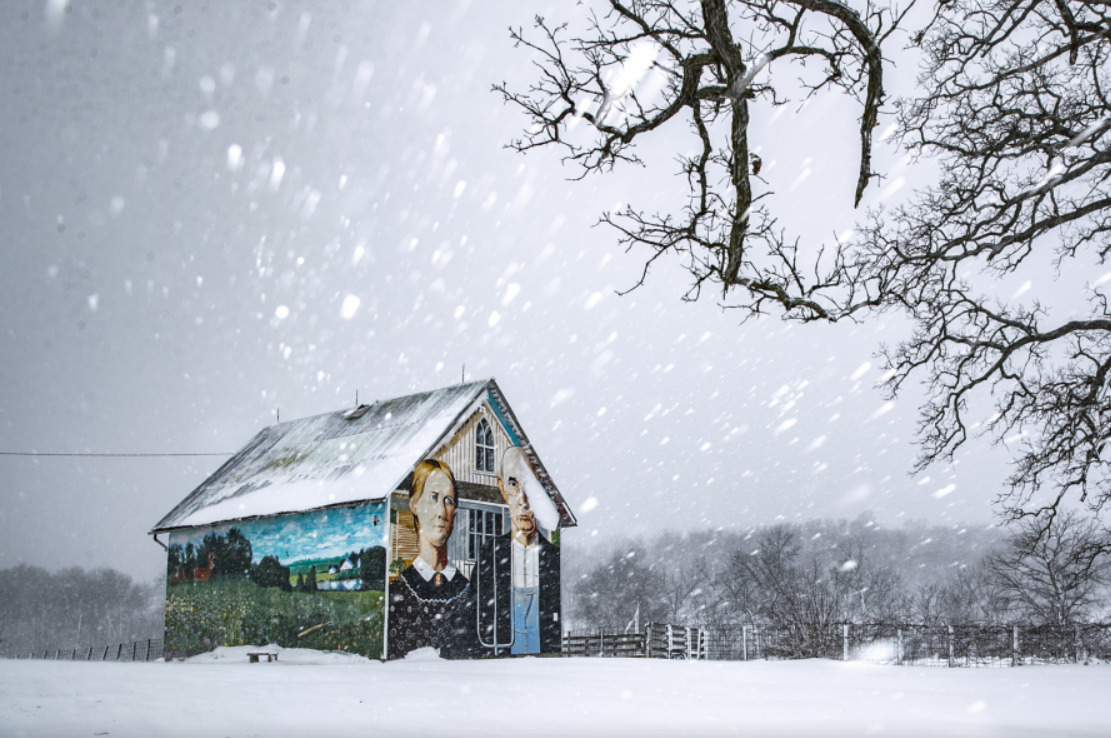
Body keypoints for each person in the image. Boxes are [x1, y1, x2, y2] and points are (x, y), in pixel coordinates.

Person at [473, 446, 561, 655]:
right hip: (503, 666)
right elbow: (475, 613)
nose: (523, 499)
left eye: (529, 486)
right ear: (502, 488)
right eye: (513, 484)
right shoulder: (490, 555)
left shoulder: (553, 559)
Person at [387, 459, 477, 659]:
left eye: (449, 501)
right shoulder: (396, 595)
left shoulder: (469, 593)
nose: (441, 512)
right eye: (433, 497)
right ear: (415, 505)